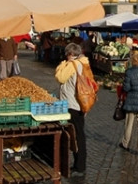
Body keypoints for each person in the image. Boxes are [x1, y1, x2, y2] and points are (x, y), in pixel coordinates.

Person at [55, 42, 93, 177]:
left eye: (66, 55)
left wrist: (61, 64)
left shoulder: (73, 64)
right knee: (77, 135)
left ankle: (80, 166)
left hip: (73, 105)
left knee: (76, 136)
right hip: (78, 105)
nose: (65, 57)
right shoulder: (83, 63)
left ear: (70, 54)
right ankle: (78, 164)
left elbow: (60, 77)